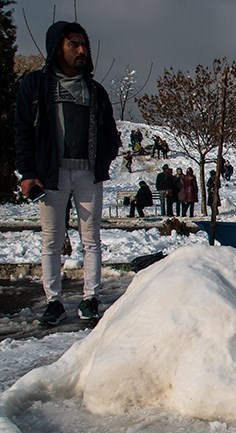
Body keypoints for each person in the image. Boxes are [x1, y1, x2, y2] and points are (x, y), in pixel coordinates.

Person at [14, 20, 120, 325]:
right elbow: (22, 130)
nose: (81, 50)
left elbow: (110, 132)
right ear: (56, 47)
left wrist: (105, 159)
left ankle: (90, 298)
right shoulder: (35, 86)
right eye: (73, 44)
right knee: (51, 239)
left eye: (83, 44)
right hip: (51, 173)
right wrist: (27, 173)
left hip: (88, 174)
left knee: (92, 240)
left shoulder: (94, 91)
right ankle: (54, 302)